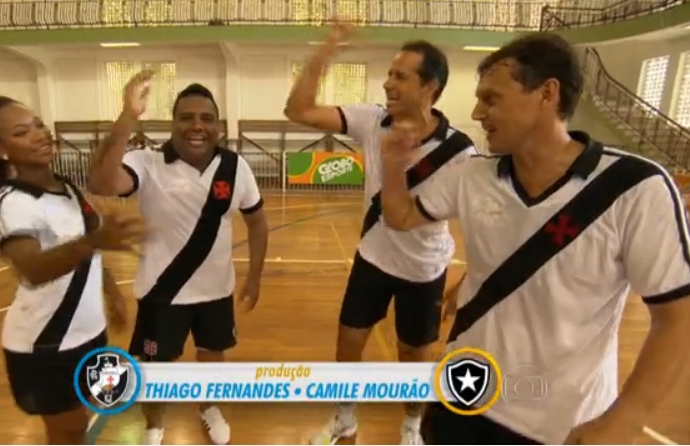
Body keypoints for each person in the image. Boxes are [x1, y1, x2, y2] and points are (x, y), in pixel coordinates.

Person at [379, 32, 690, 445]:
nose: (476, 112)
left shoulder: (634, 187)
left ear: (547, 93)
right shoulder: (472, 176)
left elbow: (678, 316)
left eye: (491, 99)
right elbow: (400, 217)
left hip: (561, 426)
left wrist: (626, 419)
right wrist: (392, 165)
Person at [284, 23, 476, 445]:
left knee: (413, 354)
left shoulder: (460, 152)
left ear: (430, 87)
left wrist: (467, 280)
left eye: (400, 76)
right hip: (372, 257)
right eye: (389, 74)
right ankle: (344, 417)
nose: (388, 83)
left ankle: (411, 425)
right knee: (348, 342)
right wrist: (327, 50)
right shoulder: (372, 120)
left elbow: (477, 225)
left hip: (424, 269)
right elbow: (298, 110)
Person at [0, 95, 143, 444]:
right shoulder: (10, 205)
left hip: (86, 332)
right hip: (46, 344)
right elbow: (33, 269)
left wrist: (110, 289)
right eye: (21, 132)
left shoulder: (66, 188)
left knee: (78, 423)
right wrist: (95, 241)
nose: (39, 134)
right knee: (67, 432)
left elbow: (84, 249)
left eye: (38, 124)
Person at [87, 73, 269, 445]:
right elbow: (101, 184)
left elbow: (257, 221)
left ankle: (209, 407)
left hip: (216, 291)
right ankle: (153, 426)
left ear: (218, 126)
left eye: (206, 118)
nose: (197, 126)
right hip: (161, 293)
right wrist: (128, 115)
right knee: (154, 370)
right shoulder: (146, 162)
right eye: (187, 117)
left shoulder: (235, 167)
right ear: (172, 124)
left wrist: (254, 277)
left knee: (212, 356)